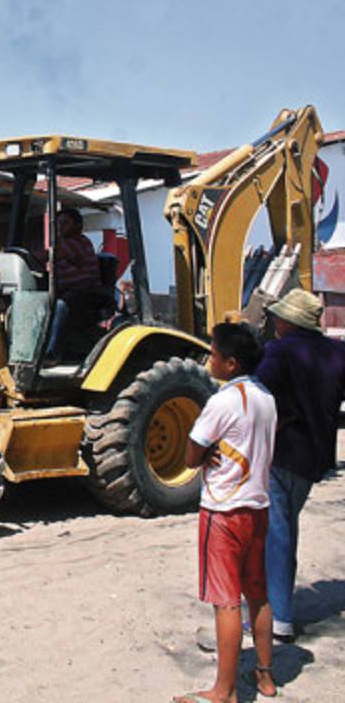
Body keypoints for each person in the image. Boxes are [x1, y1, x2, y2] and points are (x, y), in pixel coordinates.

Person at [174, 322, 277, 703]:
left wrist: (208, 450)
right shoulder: (266, 396)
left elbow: (189, 455)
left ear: (231, 363)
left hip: (223, 512)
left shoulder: (222, 401)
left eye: (214, 353)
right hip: (258, 508)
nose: (209, 359)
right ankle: (265, 677)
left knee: (226, 601)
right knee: (258, 594)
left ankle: (224, 690)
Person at [254, 288, 345, 643]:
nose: (275, 321)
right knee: (286, 527)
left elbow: (256, 393)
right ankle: (279, 608)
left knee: (276, 534)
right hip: (314, 458)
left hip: (281, 453)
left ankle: (278, 619)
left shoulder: (278, 352)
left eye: (278, 317)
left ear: (286, 321)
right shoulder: (336, 353)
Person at [44, 208, 101, 361]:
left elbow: (47, 254)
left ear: (78, 226)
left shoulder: (78, 242)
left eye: (65, 223)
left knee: (61, 305)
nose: (60, 226)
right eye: (58, 223)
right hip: (68, 290)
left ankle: (52, 353)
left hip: (86, 293)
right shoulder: (65, 245)